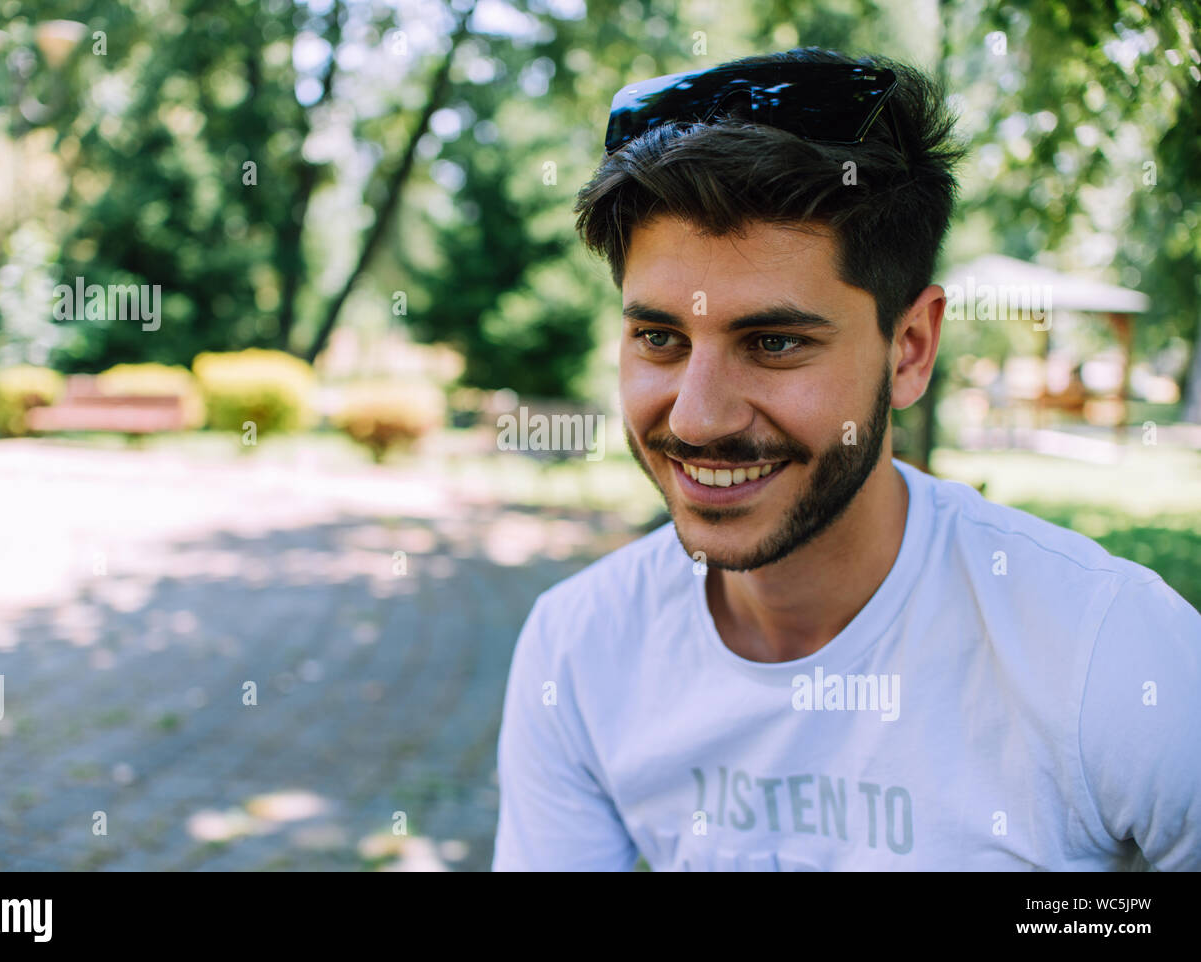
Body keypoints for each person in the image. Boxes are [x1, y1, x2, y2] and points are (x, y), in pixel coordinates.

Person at [491, 47, 1201, 871]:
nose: (697, 416)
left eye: (776, 341)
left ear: (909, 349)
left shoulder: (1107, 653)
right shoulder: (578, 650)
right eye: (660, 338)